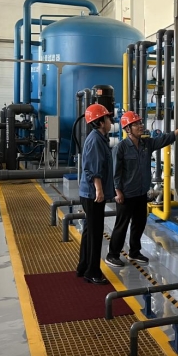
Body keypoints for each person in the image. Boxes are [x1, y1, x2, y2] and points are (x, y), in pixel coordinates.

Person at [105, 111, 178, 267]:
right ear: (128, 129)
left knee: (139, 223)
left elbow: (163, 140)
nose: (141, 126)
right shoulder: (121, 148)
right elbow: (115, 172)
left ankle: (134, 252)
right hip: (126, 194)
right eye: (136, 124)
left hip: (141, 192)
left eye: (140, 123)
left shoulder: (146, 144)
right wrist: (117, 191)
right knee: (122, 225)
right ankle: (112, 254)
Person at [76, 103, 115, 285]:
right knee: (95, 233)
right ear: (100, 122)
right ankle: (92, 272)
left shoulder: (98, 138)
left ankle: (83, 266)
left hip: (90, 193)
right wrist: (99, 190)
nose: (110, 121)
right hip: (93, 194)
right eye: (107, 118)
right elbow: (93, 168)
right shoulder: (96, 140)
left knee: (89, 230)